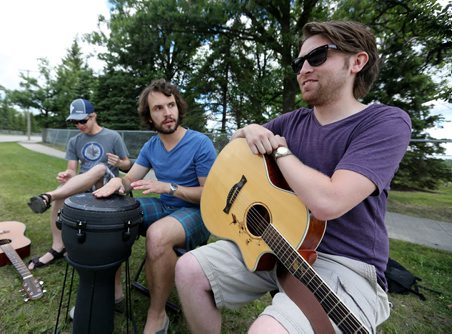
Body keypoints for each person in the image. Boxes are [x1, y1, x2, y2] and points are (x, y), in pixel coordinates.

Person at [175, 20, 412, 333]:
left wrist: (283, 154)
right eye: (299, 62)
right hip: (275, 245)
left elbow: (329, 202)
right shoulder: (291, 121)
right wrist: (248, 129)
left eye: (317, 58)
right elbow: (236, 149)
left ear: (357, 61)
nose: (303, 69)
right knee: (188, 269)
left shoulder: (384, 121)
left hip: (344, 263)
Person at [93, 79, 216, 334]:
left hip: (198, 213)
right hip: (165, 207)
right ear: (149, 117)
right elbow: (130, 180)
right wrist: (119, 181)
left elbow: (210, 196)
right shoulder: (152, 145)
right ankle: (114, 293)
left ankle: (157, 315)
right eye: (158, 108)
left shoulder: (200, 143)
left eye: (171, 105)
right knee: (114, 216)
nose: (167, 112)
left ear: (179, 108)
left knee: (157, 235)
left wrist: (169, 187)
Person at [27, 98, 132, 272]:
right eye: (75, 122)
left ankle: (48, 196)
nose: (79, 125)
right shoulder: (74, 141)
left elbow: (128, 165)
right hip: (85, 184)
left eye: (83, 120)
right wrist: (67, 174)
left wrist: (120, 164)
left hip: (109, 185)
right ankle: (57, 247)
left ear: (94, 116)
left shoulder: (113, 136)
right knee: (62, 192)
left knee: (100, 167)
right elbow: (72, 170)